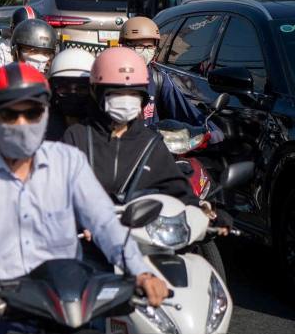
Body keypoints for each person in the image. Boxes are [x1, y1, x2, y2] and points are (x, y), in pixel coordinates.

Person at [0, 62, 169, 334]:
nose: (21, 123)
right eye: (8, 114)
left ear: (46, 113)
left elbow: (105, 223)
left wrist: (142, 272)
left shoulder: (68, 161)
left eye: (31, 112)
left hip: (67, 305)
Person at [60, 47, 199, 205]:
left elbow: (181, 194)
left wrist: (205, 212)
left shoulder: (151, 144)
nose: (126, 101)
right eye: (117, 94)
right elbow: (56, 193)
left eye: (133, 94)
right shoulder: (77, 137)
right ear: (95, 92)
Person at [118, 17, 216, 135]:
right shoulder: (106, 76)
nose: (144, 51)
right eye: (138, 46)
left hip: (148, 147)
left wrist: (211, 130)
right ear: (123, 46)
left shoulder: (158, 79)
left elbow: (186, 110)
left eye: (149, 47)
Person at [44, 47, 96, 141]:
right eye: (64, 88)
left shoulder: (99, 132)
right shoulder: (43, 128)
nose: (73, 94)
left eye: (82, 89)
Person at [0, 6, 37, 72]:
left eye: (33, 30)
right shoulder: (1, 50)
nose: (29, 34)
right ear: (13, 29)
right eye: (24, 30)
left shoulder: (46, 52)